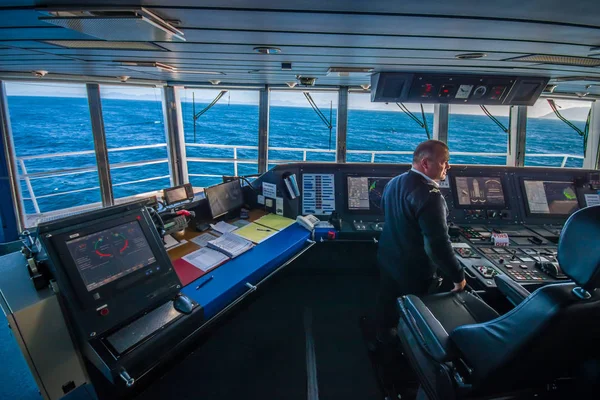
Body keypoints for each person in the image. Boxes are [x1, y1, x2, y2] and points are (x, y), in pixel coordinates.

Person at [376, 139, 466, 342]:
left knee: (387, 302)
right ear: (426, 163)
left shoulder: (395, 181)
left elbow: (386, 211)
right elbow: (437, 245)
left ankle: (382, 338)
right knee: (416, 314)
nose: (448, 167)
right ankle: (415, 349)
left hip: (389, 258)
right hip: (414, 270)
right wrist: (458, 276)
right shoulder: (431, 196)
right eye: (445, 161)